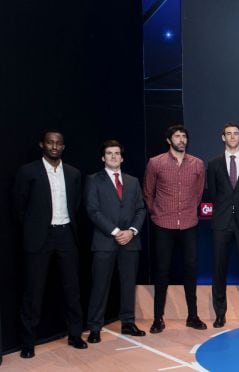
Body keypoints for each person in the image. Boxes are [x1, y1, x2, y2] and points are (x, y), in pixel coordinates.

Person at [14, 130, 87, 358]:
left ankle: (75, 335)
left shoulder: (74, 173)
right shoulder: (28, 172)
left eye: (58, 143)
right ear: (42, 145)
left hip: (66, 235)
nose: (54, 146)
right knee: (33, 293)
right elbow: (18, 207)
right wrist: (32, 230)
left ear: (63, 147)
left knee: (72, 289)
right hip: (39, 238)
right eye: (50, 142)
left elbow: (75, 205)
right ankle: (28, 342)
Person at [144, 125, 207, 333]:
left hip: (189, 223)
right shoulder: (156, 163)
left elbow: (198, 194)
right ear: (169, 140)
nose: (181, 139)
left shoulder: (197, 164)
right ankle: (158, 318)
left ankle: (192, 316)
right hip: (163, 224)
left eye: (184, 136)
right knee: (162, 271)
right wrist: (157, 213)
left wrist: (188, 211)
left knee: (191, 270)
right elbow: (148, 193)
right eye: (177, 136)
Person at [85, 140, 147, 344]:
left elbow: (140, 209)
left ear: (122, 157)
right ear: (103, 157)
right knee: (100, 286)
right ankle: (95, 328)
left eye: (117, 153)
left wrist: (131, 231)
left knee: (128, 285)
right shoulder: (93, 180)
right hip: (104, 242)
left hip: (130, 242)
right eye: (109, 153)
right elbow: (93, 211)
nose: (113, 156)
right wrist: (115, 231)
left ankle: (128, 323)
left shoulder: (132, 181)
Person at [206, 123, 239, 328]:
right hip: (221, 222)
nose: (232, 136)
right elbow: (212, 193)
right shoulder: (214, 163)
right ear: (223, 138)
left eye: (236, 133)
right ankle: (220, 314)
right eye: (228, 134)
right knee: (219, 269)